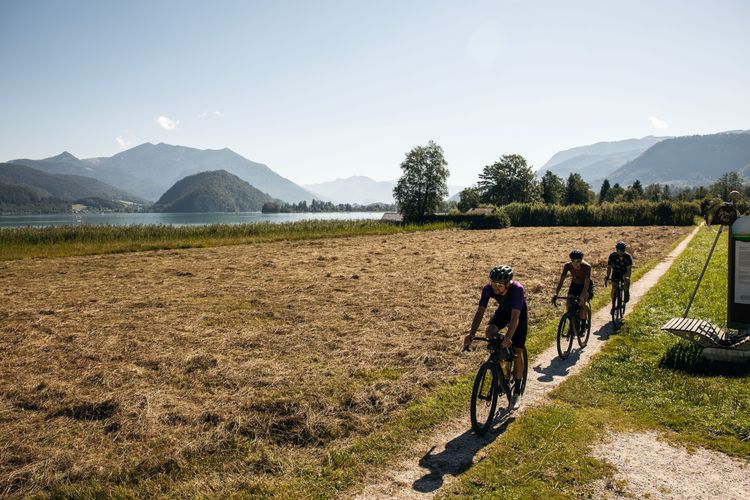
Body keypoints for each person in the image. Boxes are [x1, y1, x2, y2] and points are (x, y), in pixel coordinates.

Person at [463, 265, 528, 410]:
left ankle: (517, 392)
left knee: (517, 351)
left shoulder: (517, 289)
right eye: (493, 284)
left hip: (518, 315)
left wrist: (508, 337)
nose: (496, 288)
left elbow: (515, 317)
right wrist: (471, 334)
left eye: (499, 285)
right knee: (490, 331)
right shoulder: (487, 289)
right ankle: (501, 363)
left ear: (507, 284)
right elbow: (480, 312)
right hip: (503, 311)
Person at [552, 249, 593, 335]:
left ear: (581, 260)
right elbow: (561, 281)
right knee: (569, 302)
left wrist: (583, 295)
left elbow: (586, 284)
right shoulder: (567, 265)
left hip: (586, 285)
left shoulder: (587, 267)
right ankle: (572, 323)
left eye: (578, 261)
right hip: (575, 284)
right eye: (573, 261)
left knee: (582, 301)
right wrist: (556, 293)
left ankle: (583, 325)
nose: (576, 263)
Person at [604, 241, 633, 313]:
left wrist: (627, 277)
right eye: (619, 250)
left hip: (624, 272)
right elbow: (609, 267)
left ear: (624, 250)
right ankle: (613, 303)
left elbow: (629, 269)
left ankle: (626, 292)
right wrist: (607, 276)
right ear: (616, 249)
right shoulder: (612, 256)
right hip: (616, 273)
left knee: (626, 281)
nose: (621, 252)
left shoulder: (628, 257)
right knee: (614, 287)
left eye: (622, 250)